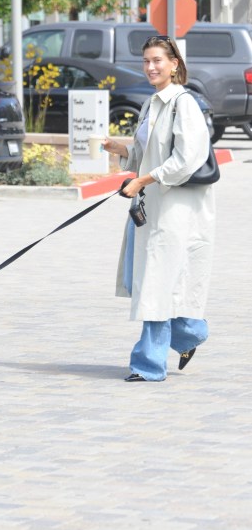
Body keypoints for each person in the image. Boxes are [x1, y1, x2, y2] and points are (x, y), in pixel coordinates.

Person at [103, 35, 215, 382]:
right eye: (147, 61)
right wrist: (121, 149)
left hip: (177, 210)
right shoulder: (151, 105)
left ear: (174, 64)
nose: (151, 67)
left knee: (156, 283)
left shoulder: (185, 104)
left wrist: (143, 180)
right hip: (152, 206)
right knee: (146, 280)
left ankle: (148, 365)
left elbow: (185, 160)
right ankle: (189, 334)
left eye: (158, 61)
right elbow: (147, 153)